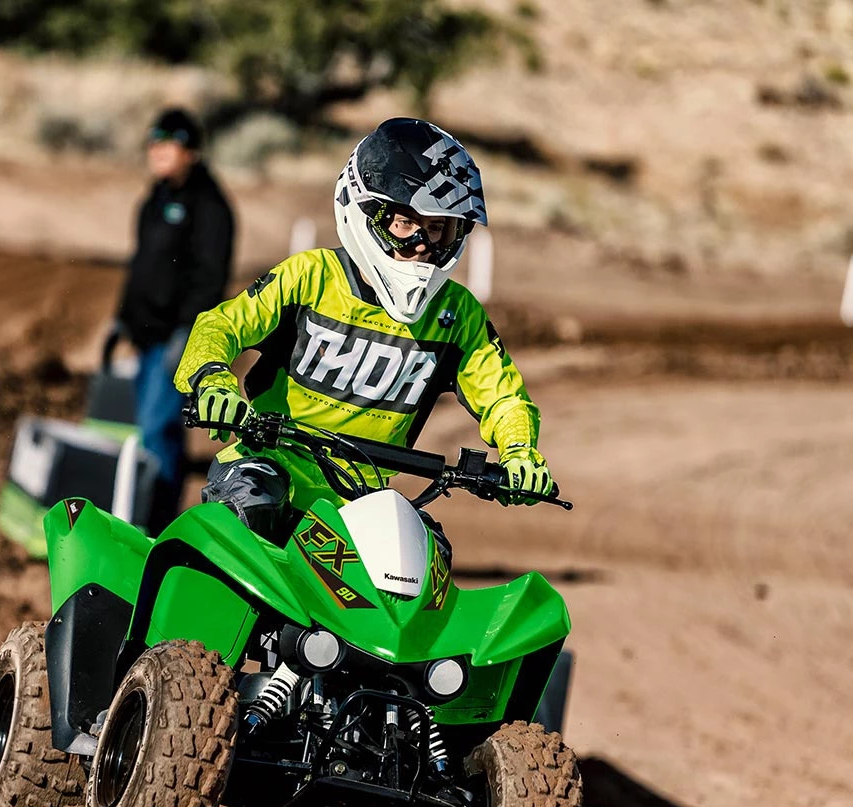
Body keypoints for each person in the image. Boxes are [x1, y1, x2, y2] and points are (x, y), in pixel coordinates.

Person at [173, 117, 556, 554]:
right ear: (365, 211)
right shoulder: (311, 276)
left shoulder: (459, 314)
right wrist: (213, 382)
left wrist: (520, 452)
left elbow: (504, 397)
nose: (421, 245)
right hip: (267, 467)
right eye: (405, 224)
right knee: (252, 510)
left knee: (428, 558)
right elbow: (219, 325)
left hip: (363, 498)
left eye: (437, 229)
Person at [112, 108, 235, 532]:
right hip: (146, 335)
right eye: (154, 143)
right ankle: (145, 513)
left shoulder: (211, 206)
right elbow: (141, 263)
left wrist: (187, 336)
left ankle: (155, 523)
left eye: (170, 144)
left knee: (158, 428)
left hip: (175, 340)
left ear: (192, 151)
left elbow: (210, 280)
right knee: (147, 428)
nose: (159, 152)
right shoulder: (156, 197)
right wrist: (122, 319)